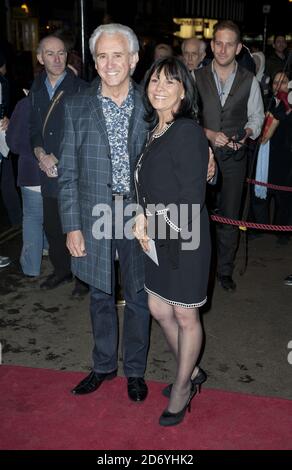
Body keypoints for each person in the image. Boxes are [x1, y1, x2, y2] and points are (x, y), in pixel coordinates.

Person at [58, 24, 150, 402]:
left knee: (139, 295)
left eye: (117, 55)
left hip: (138, 212)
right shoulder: (76, 104)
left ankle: (134, 371)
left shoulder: (153, 103)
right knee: (99, 292)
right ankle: (103, 366)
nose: (110, 63)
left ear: (133, 59)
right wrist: (71, 226)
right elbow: (67, 172)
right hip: (94, 209)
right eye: (101, 56)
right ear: (93, 61)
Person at [133, 57, 211, 426]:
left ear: (184, 90)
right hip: (157, 237)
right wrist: (139, 217)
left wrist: (152, 219)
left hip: (185, 236)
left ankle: (182, 386)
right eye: (154, 81)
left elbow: (192, 197)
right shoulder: (155, 130)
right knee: (159, 308)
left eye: (169, 82)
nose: (158, 88)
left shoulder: (186, 131)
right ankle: (191, 370)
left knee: (184, 312)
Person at [195, 20, 264, 292]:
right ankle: (199, 268)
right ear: (212, 46)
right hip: (201, 158)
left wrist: (247, 131)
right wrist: (209, 134)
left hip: (235, 160)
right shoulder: (195, 77)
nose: (223, 49)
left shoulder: (250, 81)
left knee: (231, 216)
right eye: (218, 43)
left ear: (238, 48)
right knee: (198, 215)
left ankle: (224, 270)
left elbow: (256, 117)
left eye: (229, 44)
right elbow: (184, 118)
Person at [29, 35, 88, 295]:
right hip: (47, 170)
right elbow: (33, 128)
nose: (56, 59)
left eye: (61, 53)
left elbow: (86, 135)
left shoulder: (82, 88)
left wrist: (58, 157)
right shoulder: (36, 87)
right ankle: (62, 270)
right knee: (52, 226)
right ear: (40, 58)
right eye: (50, 54)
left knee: (78, 225)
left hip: (74, 172)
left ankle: (83, 278)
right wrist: (40, 152)